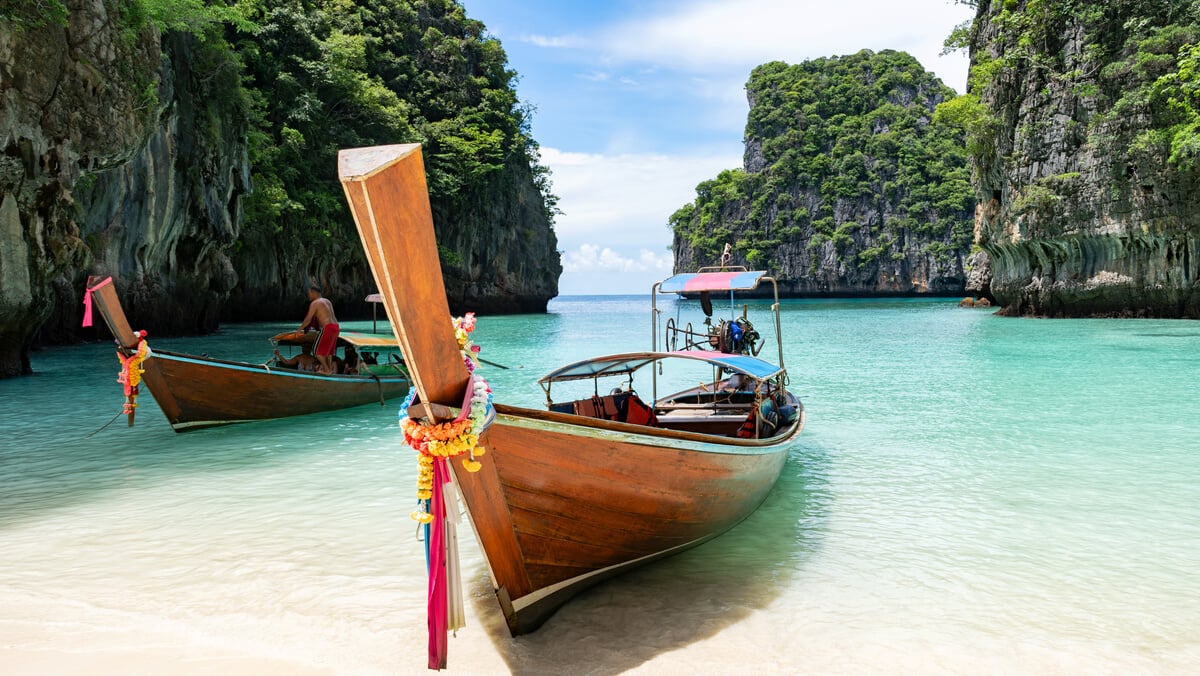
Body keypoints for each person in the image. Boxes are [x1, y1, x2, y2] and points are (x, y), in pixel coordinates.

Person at [299, 285, 339, 374]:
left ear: (313, 293)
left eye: (309, 293)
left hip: (327, 328)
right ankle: (329, 369)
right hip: (335, 327)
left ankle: (327, 370)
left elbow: (308, 319)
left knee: (316, 351)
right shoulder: (327, 301)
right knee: (329, 351)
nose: (308, 295)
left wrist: (299, 329)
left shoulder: (315, 303)